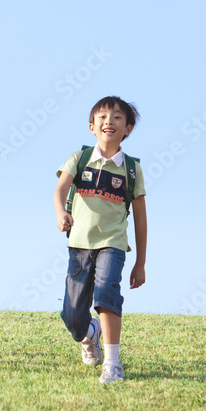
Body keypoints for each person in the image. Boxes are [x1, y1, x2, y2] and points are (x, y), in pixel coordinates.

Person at [53, 96, 147, 383]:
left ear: (128, 129)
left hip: (113, 244)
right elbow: (59, 190)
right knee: (72, 317)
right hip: (79, 244)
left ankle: (113, 364)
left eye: (118, 118)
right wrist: (60, 213)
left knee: (107, 294)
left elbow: (141, 218)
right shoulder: (79, 158)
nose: (110, 122)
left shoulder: (132, 169)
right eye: (103, 117)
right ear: (92, 126)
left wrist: (140, 263)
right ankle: (90, 333)